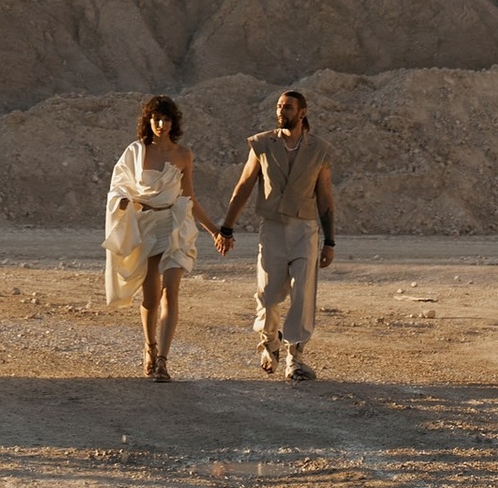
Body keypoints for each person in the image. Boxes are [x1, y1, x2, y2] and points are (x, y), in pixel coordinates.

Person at [215, 86, 336, 380]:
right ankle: (270, 343)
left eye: (288, 107)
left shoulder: (318, 150)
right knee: (268, 296)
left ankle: (295, 358)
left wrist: (329, 241)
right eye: (279, 107)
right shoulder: (262, 144)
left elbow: (325, 198)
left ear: (302, 113)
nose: (281, 112)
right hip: (272, 229)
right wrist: (227, 227)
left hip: (305, 230)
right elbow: (244, 186)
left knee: (302, 294)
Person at [104, 93, 202, 381]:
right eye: (156, 119)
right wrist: (122, 201)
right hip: (145, 224)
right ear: (148, 121)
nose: (161, 124)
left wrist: (218, 230)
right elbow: (118, 185)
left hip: (173, 224)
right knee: (150, 297)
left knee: (170, 290)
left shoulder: (184, 154)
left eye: (166, 119)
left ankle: (163, 361)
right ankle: (149, 346)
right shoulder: (136, 152)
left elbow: (190, 196)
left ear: (173, 123)